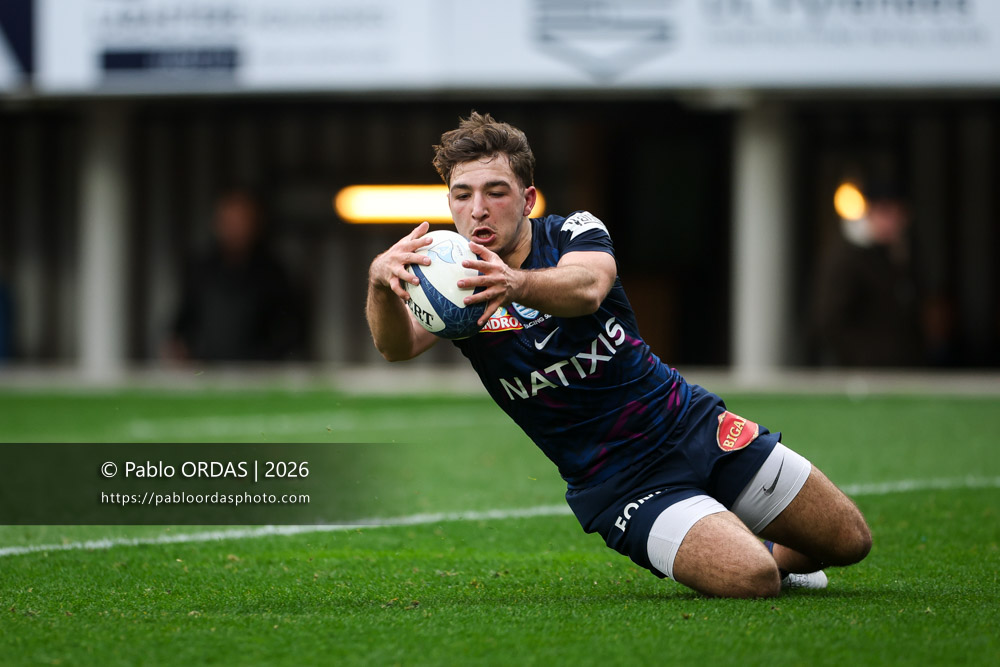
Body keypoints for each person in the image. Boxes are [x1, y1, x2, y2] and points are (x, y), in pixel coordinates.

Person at [366, 112, 871, 598]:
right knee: (752, 578)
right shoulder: (453, 282)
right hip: (617, 483)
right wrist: (380, 285)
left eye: (496, 192)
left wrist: (515, 283)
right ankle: (734, 543)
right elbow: (397, 346)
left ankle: (742, 536)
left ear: (527, 199)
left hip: (689, 424)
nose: (478, 208)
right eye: (463, 195)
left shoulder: (572, 232)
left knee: (850, 540)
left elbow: (586, 287)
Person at [166, 189, 304, 362]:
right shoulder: (200, 269)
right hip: (206, 372)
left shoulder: (274, 273)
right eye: (228, 221)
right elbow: (183, 321)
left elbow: (291, 330)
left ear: (255, 224)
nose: (234, 229)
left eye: (241, 221)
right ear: (216, 223)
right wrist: (178, 348)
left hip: (258, 374)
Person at [811, 182, 923, 367]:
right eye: (886, 212)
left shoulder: (899, 255)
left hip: (896, 372)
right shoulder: (848, 258)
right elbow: (829, 320)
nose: (893, 221)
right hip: (865, 375)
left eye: (899, 214)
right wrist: (861, 361)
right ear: (870, 213)